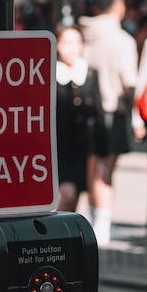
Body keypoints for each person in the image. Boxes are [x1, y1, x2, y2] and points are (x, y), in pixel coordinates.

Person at [78, 0, 138, 245]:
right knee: (105, 171)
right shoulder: (122, 40)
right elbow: (129, 81)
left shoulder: (83, 35)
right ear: (118, 7)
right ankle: (102, 228)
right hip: (111, 109)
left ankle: (96, 221)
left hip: (82, 110)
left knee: (92, 168)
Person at [55, 25, 107, 212]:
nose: (72, 48)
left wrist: (102, 149)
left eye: (77, 42)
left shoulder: (89, 72)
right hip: (58, 147)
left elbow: (98, 111)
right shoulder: (49, 73)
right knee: (67, 192)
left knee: (77, 193)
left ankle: (66, 236)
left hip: (84, 147)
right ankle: (56, 235)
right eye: (66, 42)